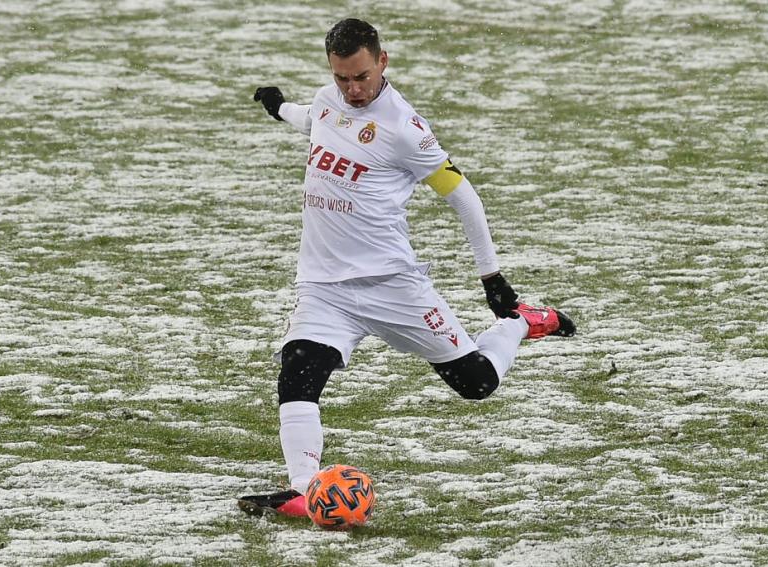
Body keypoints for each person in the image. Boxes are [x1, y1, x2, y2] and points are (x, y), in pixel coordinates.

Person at [238, 18, 575, 519]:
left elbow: (463, 197)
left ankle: (521, 323)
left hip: (392, 286)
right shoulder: (331, 100)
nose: (353, 90)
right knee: (297, 376)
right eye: (342, 78)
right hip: (325, 286)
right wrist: (278, 107)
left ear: (383, 62)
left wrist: (492, 278)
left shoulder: (404, 129)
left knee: (477, 383)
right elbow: (317, 118)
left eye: (362, 77)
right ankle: (307, 492)